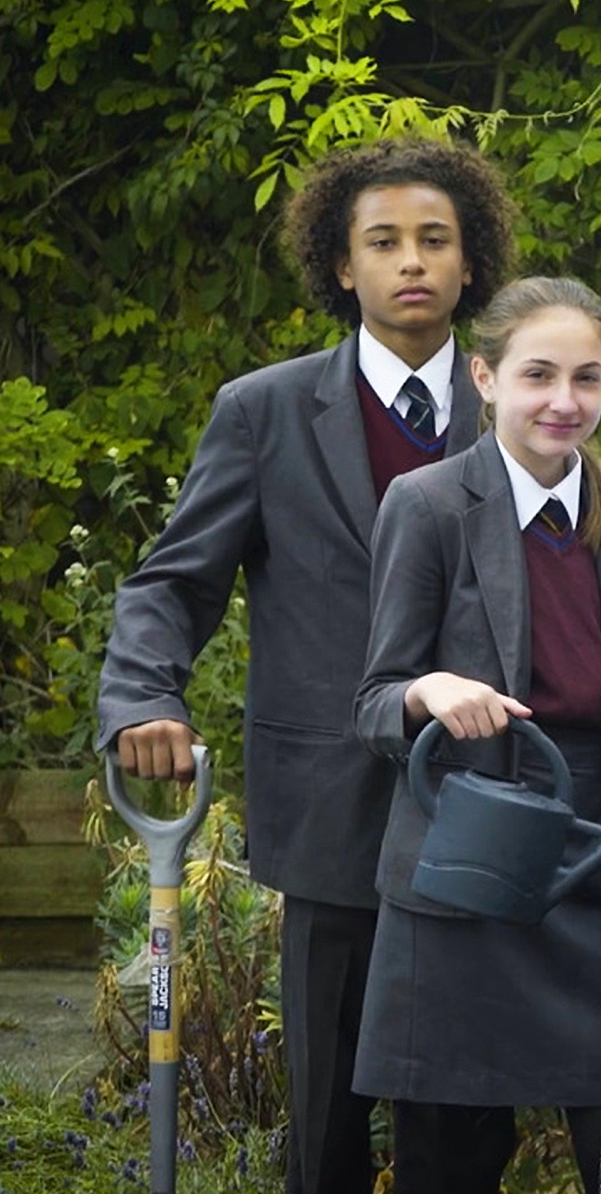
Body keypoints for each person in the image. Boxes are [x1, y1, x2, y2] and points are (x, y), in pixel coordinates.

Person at [93, 137, 516, 1194]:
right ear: (341, 264)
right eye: (383, 242)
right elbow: (174, 580)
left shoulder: (519, 412)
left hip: (481, 809)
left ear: (472, 266)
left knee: (463, 1122)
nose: (411, 261)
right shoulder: (266, 411)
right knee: (327, 1115)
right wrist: (145, 693)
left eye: (435, 240)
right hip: (329, 806)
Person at [352, 276, 601, 1193]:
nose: (564, 402)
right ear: (484, 378)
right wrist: (431, 689)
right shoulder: (429, 503)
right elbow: (372, 701)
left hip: (582, 851)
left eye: (587, 379)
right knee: (447, 1160)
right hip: (461, 854)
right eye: (538, 376)